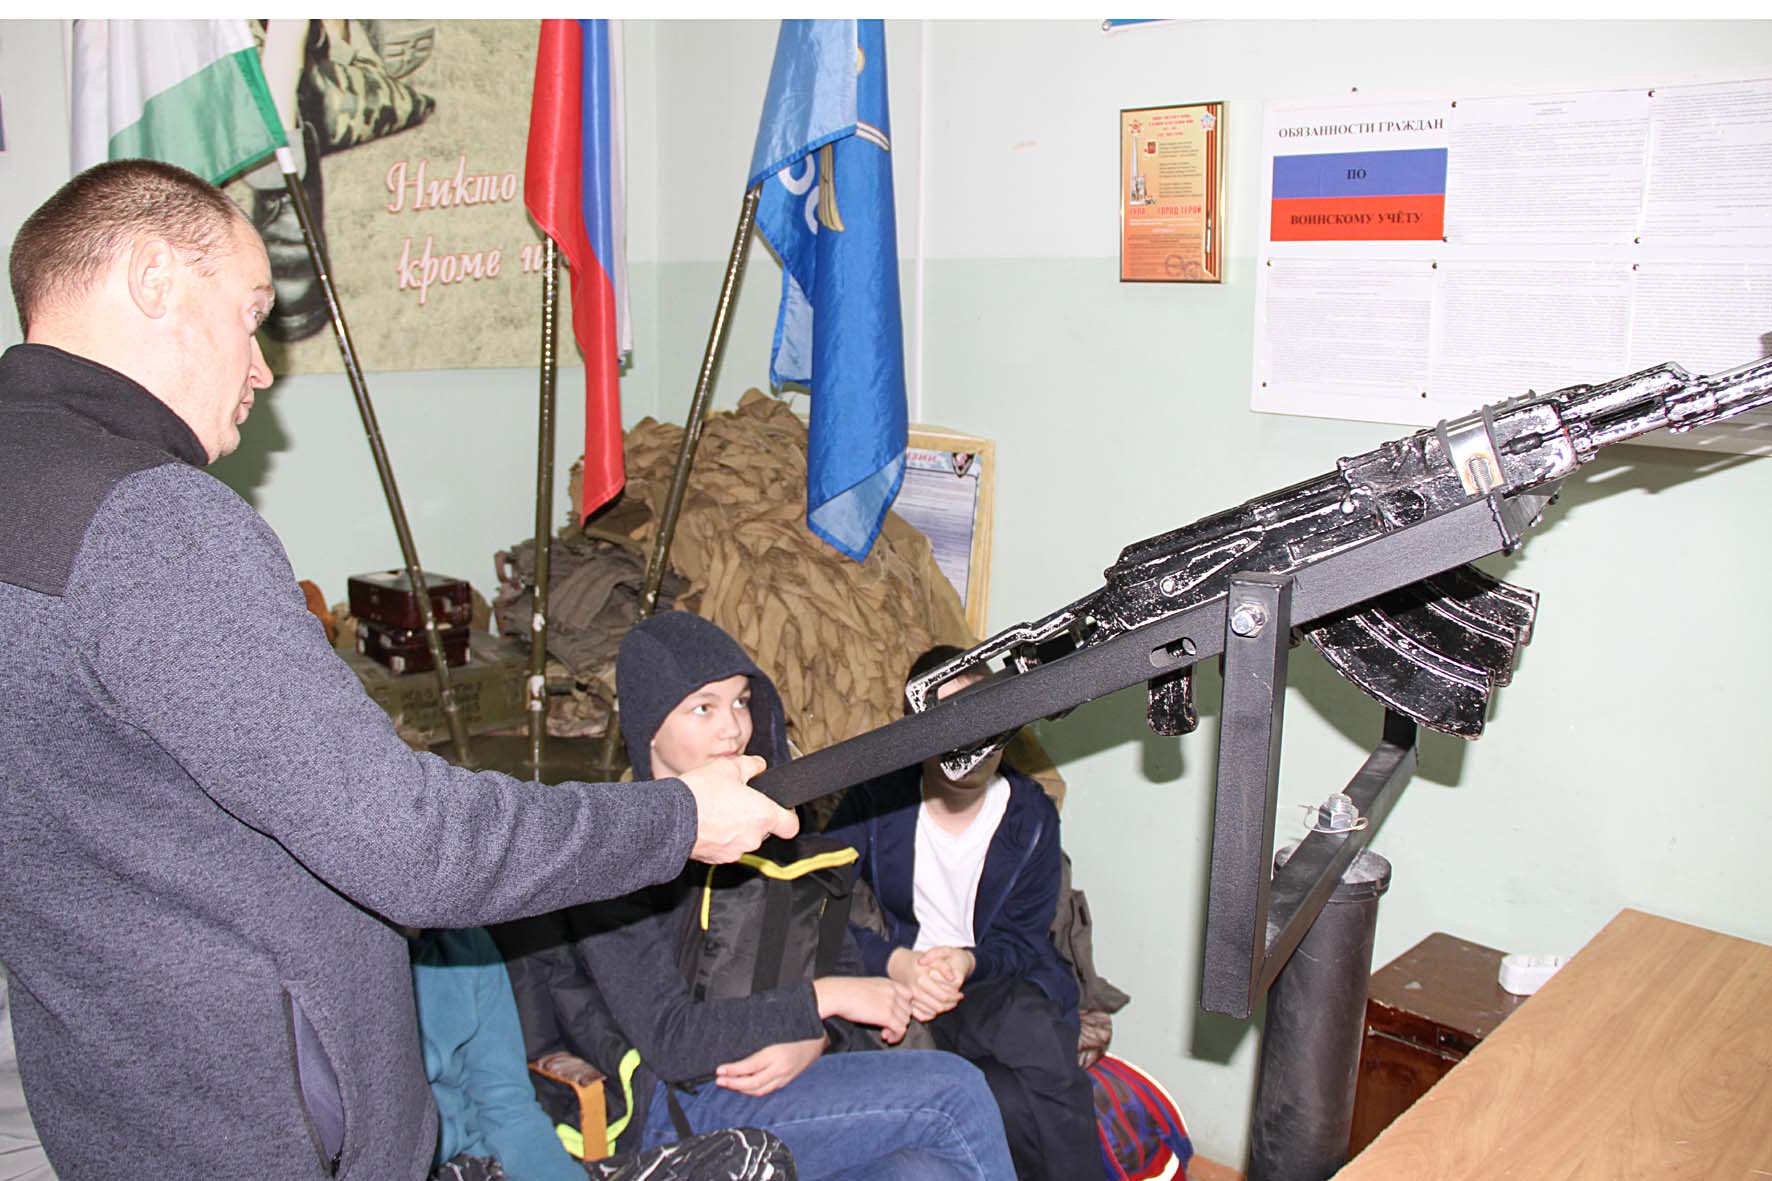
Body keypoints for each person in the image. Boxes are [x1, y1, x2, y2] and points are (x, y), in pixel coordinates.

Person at [0, 159, 796, 1178]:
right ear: (155, 281)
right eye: (251, 315)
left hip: (110, 1109)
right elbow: (415, 845)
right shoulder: (152, 521)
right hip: (264, 1134)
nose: (260, 369)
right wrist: (676, 817)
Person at [496, 612, 1016, 1181]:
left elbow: (838, 961)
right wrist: (823, 1001)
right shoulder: (615, 857)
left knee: (923, 1172)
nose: (733, 730)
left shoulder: (765, 829)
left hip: (781, 1078)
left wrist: (815, 1037)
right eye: (703, 708)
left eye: (741, 702)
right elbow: (672, 1041)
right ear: (649, 730)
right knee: (955, 1093)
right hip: (670, 1107)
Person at [823, 646, 1103, 1181]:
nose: (970, 744)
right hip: (905, 982)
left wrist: (968, 962)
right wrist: (895, 962)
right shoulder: (877, 799)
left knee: (1034, 1034)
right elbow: (813, 904)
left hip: (990, 977)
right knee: (1003, 1099)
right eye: (947, 720)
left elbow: (1022, 942)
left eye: (982, 719)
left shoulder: (1030, 816)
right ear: (916, 728)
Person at [409, 928, 795, 1181]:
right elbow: (674, 1040)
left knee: (754, 1159)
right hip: (422, 1167)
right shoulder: (375, 965)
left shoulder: (469, 947)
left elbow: (508, 1109)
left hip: (488, 1166)